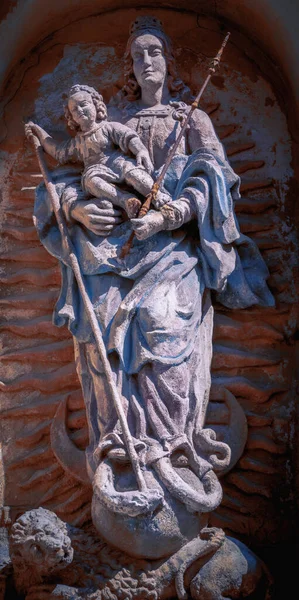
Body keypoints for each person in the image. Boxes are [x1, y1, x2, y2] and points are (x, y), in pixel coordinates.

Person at [33, 16, 274, 516]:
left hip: (175, 249)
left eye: (155, 53)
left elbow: (215, 178)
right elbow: (65, 177)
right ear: (128, 68)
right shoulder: (107, 121)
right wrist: (78, 207)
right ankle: (119, 444)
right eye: (138, 55)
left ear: (168, 61)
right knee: (102, 334)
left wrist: (174, 214)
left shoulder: (192, 119)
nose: (147, 62)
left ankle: (172, 447)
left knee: (163, 328)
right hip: (115, 250)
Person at [26, 84, 170, 220]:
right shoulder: (76, 143)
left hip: (117, 161)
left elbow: (128, 137)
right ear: (71, 117)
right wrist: (38, 131)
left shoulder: (108, 127)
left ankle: (156, 196)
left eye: (84, 104)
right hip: (94, 169)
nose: (80, 110)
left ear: (96, 105)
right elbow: (57, 151)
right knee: (91, 182)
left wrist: (141, 151)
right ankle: (125, 200)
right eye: (75, 109)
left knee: (134, 173)